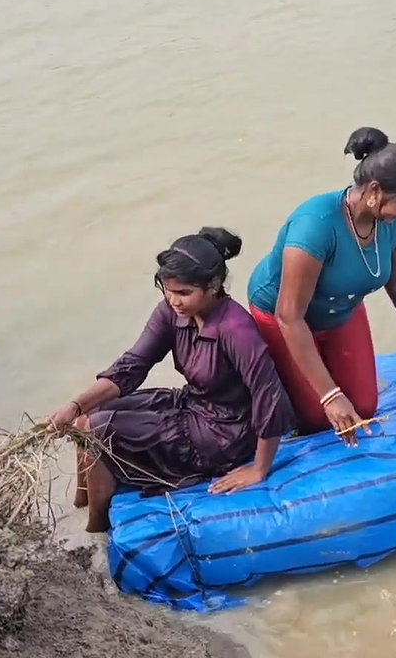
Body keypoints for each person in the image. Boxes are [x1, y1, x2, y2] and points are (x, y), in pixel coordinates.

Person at [42, 227, 297, 532]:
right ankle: (80, 505)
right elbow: (132, 366)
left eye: (184, 293)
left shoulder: (236, 329)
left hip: (225, 431)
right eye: (167, 290)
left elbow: (268, 395)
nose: (174, 301)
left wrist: (259, 468)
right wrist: (74, 406)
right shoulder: (170, 312)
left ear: (214, 285)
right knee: (88, 415)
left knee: (97, 429)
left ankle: (96, 529)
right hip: (191, 402)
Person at [245, 127, 396, 447]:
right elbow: (289, 317)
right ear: (374, 190)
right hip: (283, 315)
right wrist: (330, 395)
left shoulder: (395, 225)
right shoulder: (315, 226)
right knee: (318, 418)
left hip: (340, 308)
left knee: (363, 408)